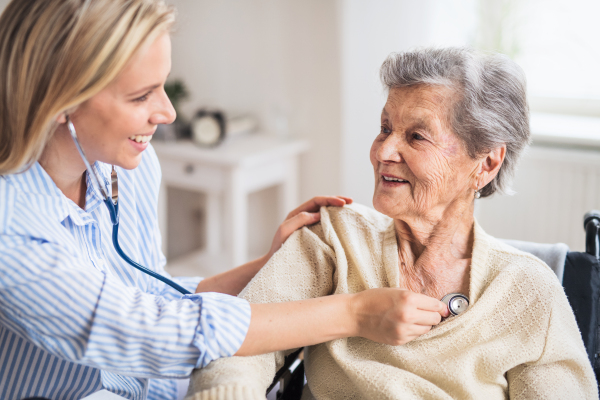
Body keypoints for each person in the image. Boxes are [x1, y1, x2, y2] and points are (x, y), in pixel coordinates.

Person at [0, 1, 450, 399]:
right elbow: (152, 331)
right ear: (60, 103)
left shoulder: (123, 169)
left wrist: (270, 264)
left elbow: (153, 293)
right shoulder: (10, 228)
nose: (168, 113)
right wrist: (355, 312)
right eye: (140, 96)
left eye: (163, 85)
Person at [187, 48, 598, 399]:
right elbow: (237, 348)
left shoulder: (529, 292)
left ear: (487, 163)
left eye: (416, 136)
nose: (384, 150)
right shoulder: (335, 237)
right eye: (385, 128)